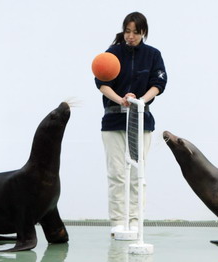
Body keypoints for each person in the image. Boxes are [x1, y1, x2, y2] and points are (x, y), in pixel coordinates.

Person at [95, 11, 167, 236]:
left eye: (136, 32)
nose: (131, 36)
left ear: (143, 32)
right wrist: (121, 100)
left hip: (141, 121)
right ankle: (118, 221)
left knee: (138, 174)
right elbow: (101, 83)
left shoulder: (153, 55)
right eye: (127, 31)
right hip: (114, 120)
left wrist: (139, 102)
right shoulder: (112, 53)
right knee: (117, 173)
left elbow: (158, 83)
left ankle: (135, 220)